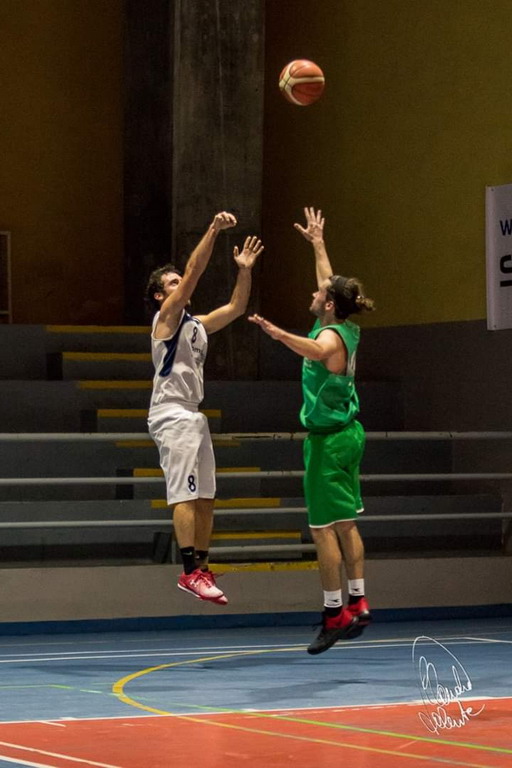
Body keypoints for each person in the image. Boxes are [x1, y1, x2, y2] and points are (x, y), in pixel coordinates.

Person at [249, 207, 374, 654]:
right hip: (349, 435)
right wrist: (318, 243)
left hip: (328, 443)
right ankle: (358, 601)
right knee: (346, 524)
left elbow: (314, 349)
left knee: (323, 530)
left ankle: (334, 612)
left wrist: (277, 333)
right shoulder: (343, 325)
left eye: (320, 293)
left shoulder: (328, 339)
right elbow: (327, 280)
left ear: (329, 304)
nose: (314, 292)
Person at [145, 211, 263, 605]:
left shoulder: (196, 324)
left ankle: (203, 566)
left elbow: (237, 307)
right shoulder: (166, 319)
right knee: (184, 494)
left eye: (179, 280)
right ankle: (188, 572)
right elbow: (194, 272)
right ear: (160, 295)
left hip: (194, 413)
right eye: (172, 282)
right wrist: (212, 229)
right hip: (170, 412)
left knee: (206, 496)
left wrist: (244, 270)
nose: (181, 283)